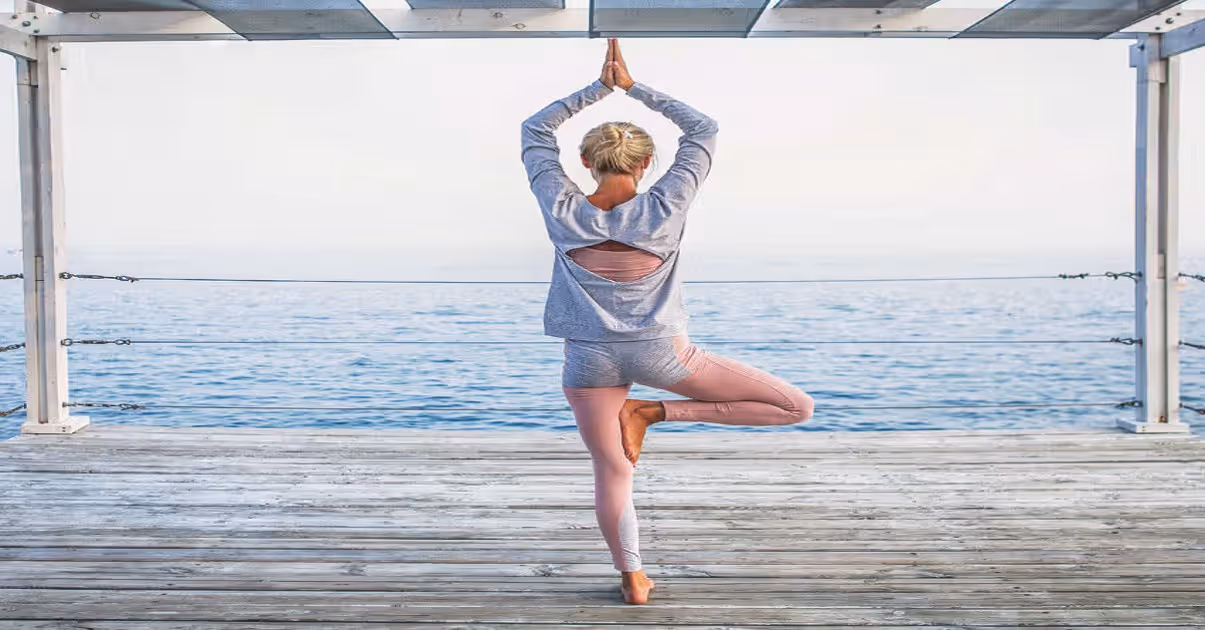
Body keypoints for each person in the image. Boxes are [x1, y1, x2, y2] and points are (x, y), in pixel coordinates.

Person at [520, 39, 814, 605]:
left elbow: (535, 131)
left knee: (612, 472)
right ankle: (655, 412)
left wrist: (595, 92)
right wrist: (633, 89)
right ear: (648, 163)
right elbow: (702, 130)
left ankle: (633, 579)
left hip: (588, 360)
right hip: (663, 354)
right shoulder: (665, 205)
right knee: (796, 407)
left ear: (585, 161)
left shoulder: (560, 205)